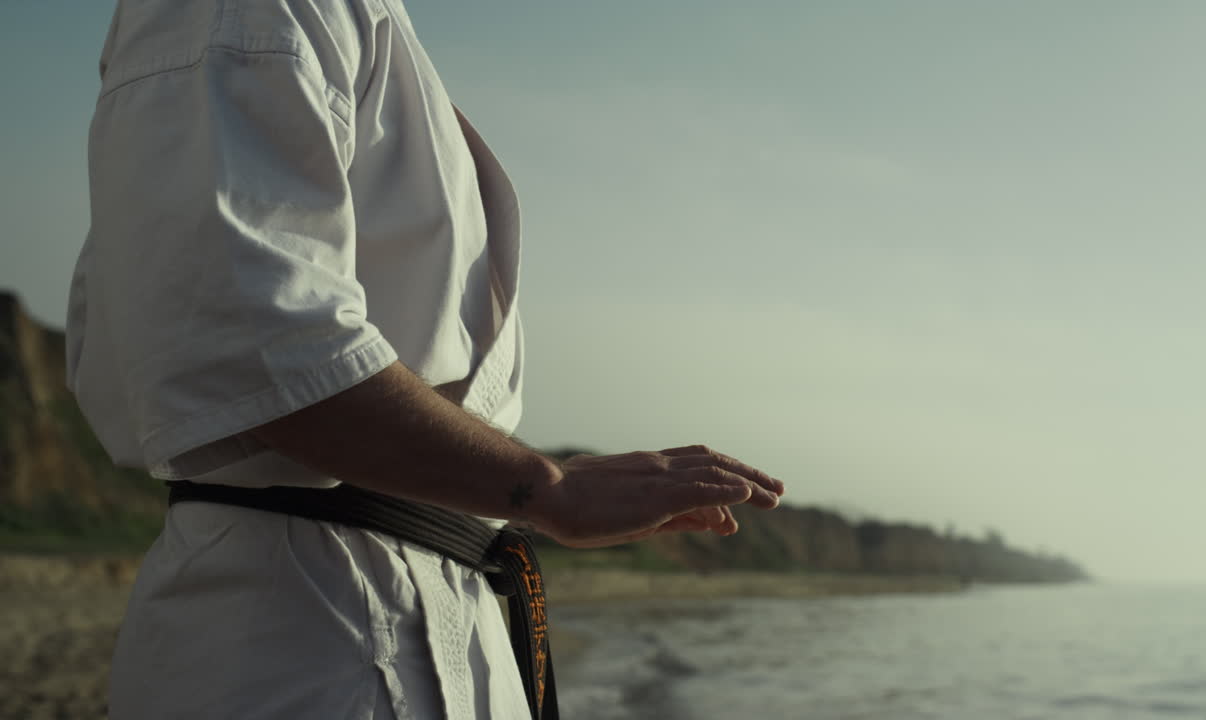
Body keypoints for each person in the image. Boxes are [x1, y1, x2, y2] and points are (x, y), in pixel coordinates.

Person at [65, 0, 785, 718]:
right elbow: (256, 340)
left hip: (416, 613)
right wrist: (548, 490)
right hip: (303, 643)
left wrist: (519, 487)